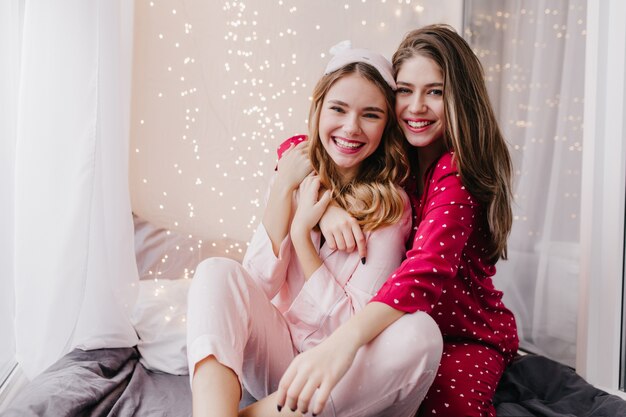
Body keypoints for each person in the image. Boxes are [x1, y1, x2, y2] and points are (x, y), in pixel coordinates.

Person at [186, 44, 443, 417]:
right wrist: (281, 191)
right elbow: (254, 285)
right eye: (338, 109)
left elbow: (351, 326)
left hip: (342, 374)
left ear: (386, 126)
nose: (351, 128)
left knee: (420, 334)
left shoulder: (392, 206)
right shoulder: (293, 171)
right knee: (215, 272)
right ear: (319, 109)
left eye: (370, 115)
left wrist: (305, 238)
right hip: (279, 360)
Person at [276, 24, 519, 417]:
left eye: (435, 92)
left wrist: (342, 344)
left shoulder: (456, 173)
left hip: (464, 333)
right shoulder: (394, 155)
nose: (416, 106)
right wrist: (328, 203)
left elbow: (424, 270)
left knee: (446, 407)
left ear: (460, 98)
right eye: (404, 90)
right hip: (391, 325)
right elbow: (297, 147)